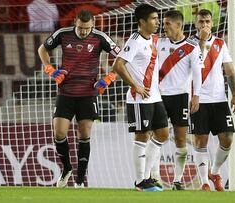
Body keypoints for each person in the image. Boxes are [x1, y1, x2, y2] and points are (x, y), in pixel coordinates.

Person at [37, 9, 120, 188]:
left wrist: (109, 78)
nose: (84, 32)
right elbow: (42, 48)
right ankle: (66, 169)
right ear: (75, 22)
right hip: (66, 92)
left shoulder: (100, 37)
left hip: (89, 93)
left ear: (93, 25)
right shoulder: (63, 34)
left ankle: (80, 180)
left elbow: (121, 57)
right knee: (59, 133)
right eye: (81, 28)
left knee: (84, 134)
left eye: (87, 28)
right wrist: (49, 69)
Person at [112, 4, 169, 192]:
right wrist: (134, 85)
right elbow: (118, 65)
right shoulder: (134, 40)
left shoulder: (153, 39)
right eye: (153, 18)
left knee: (162, 134)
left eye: (157, 18)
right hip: (139, 98)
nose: (157, 22)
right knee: (142, 136)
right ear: (142, 22)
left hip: (155, 97)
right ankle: (140, 181)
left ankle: (147, 177)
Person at [191, 9, 235, 192]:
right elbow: (198, 63)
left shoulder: (220, 43)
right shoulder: (190, 44)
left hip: (219, 99)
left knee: (227, 139)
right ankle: (204, 182)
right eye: (201, 22)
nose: (204, 25)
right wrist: (202, 41)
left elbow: (229, 71)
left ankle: (215, 172)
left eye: (207, 21)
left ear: (212, 23)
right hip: (199, 99)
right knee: (200, 140)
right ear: (196, 23)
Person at [156, 10, 203, 190]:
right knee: (156, 136)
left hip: (181, 97)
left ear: (178, 25)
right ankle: (152, 177)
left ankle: (177, 180)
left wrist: (196, 95)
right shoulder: (159, 42)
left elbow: (197, 73)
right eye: (164, 23)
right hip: (159, 96)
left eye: (167, 23)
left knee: (181, 139)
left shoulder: (192, 47)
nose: (164, 26)